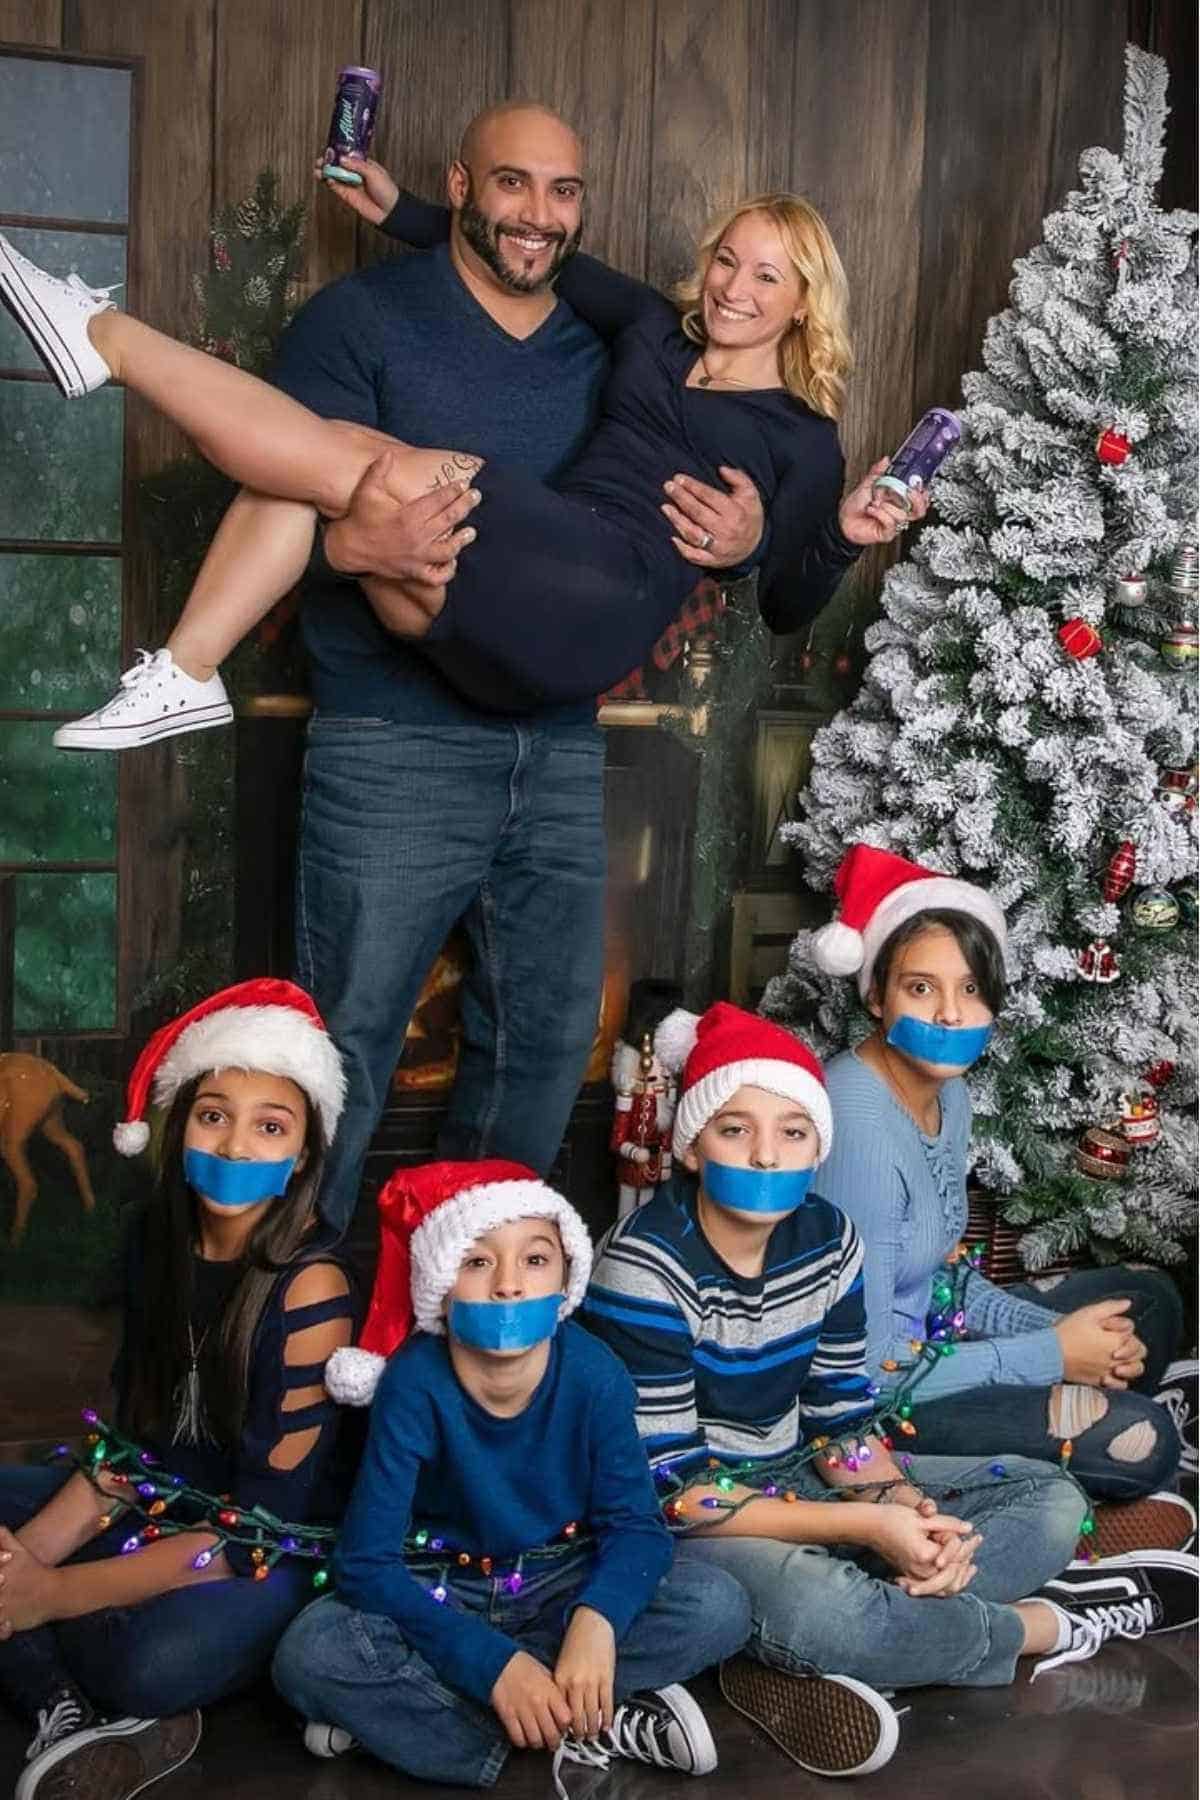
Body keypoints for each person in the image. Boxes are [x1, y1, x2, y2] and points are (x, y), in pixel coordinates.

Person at [0, 103, 776, 1229]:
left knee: (551, 1040)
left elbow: (708, 496)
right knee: (343, 1047)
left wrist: (750, 546)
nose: (539, 215)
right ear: (461, 185)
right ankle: (290, 1311)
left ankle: (456, 1307)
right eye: (513, 184)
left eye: (564, 192)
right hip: (391, 738)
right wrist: (347, 550)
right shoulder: (358, 319)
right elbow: (279, 496)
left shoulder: (621, 346)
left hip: (556, 739)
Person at [0, 128, 918, 730]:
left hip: (609, 594)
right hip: (518, 609)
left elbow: (788, 606)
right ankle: (188, 670)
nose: (734, 289)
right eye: (728, 261)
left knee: (369, 459)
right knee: (330, 471)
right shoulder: (649, 325)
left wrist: (814, 537)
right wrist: (401, 211)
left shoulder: (801, 437)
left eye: (768, 278)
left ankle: (105, 340)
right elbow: (525, 242)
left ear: (803, 305)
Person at [580, 1003, 1196, 1779]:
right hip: (692, 1524)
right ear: (695, 1146)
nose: (768, 1157)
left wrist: (903, 1507)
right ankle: (1036, 1627)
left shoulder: (830, 1237)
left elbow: (841, 1418)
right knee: (829, 1611)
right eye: (737, 1130)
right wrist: (866, 1527)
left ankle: (812, 1651)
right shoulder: (644, 1268)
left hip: (799, 1473)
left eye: (793, 1134)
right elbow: (675, 1495)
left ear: (816, 1148)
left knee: (1052, 1502)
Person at [271, 1158, 752, 1792]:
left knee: (718, 1604)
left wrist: (596, 1623)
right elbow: (365, 1563)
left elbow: (636, 1528)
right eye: (477, 1263)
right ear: (441, 1284)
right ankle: (579, 1723)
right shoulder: (415, 1383)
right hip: (444, 1583)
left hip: (559, 1576)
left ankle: (438, 1718)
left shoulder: (594, 1373)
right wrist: (490, 1664)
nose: (508, 1286)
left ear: (565, 1277)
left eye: (534, 1260)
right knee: (310, 1654)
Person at [0, 979, 358, 1800]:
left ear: (303, 1152)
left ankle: (74, 1681)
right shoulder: (154, 1241)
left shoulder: (311, 1291)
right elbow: (127, 1454)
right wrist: (31, 1564)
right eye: (213, 1115)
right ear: (178, 1123)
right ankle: (64, 1705)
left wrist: (50, 1591)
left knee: (147, 1662)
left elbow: (254, 1535)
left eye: (270, 1127)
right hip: (155, 1508)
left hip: (266, 1551)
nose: (235, 1148)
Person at [809, 844, 1191, 1555]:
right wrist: (1051, 1353)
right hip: (878, 1405)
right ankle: (1013, 1509)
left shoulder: (945, 1092)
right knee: (1148, 1442)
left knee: (1150, 1301)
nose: (952, 1014)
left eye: (972, 990)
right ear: (875, 996)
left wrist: (1076, 1341)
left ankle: (1068, 1454)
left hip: (935, 1341)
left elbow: (943, 1280)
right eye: (921, 989)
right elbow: (863, 1373)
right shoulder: (857, 1121)